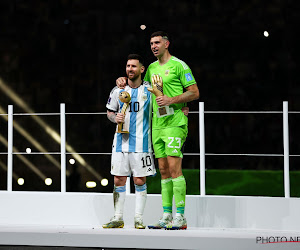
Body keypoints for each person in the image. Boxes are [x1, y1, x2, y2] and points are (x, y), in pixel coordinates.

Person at [117, 31, 199, 230]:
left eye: (157, 43)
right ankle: (167, 215)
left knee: (174, 168)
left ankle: (181, 217)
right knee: (163, 171)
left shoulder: (179, 65)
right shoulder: (151, 67)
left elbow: (194, 92)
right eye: (151, 43)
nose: (153, 46)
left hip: (174, 123)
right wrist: (121, 80)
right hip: (157, 125)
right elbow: (138, 85)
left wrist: (173, 100)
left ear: (166, 44)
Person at [103, 54, 156, 229]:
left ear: (142, 69)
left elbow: (163, 103)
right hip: (120, 143)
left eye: (133, 66)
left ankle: (139, 219)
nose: (130, 69)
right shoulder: (118, 90)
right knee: (119, 180)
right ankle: (118, 217)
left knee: (140, 181)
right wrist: (114, 118)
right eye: (127, 66)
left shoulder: (149, 90)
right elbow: (109, 112)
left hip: (142, 144)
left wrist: (182, 108)